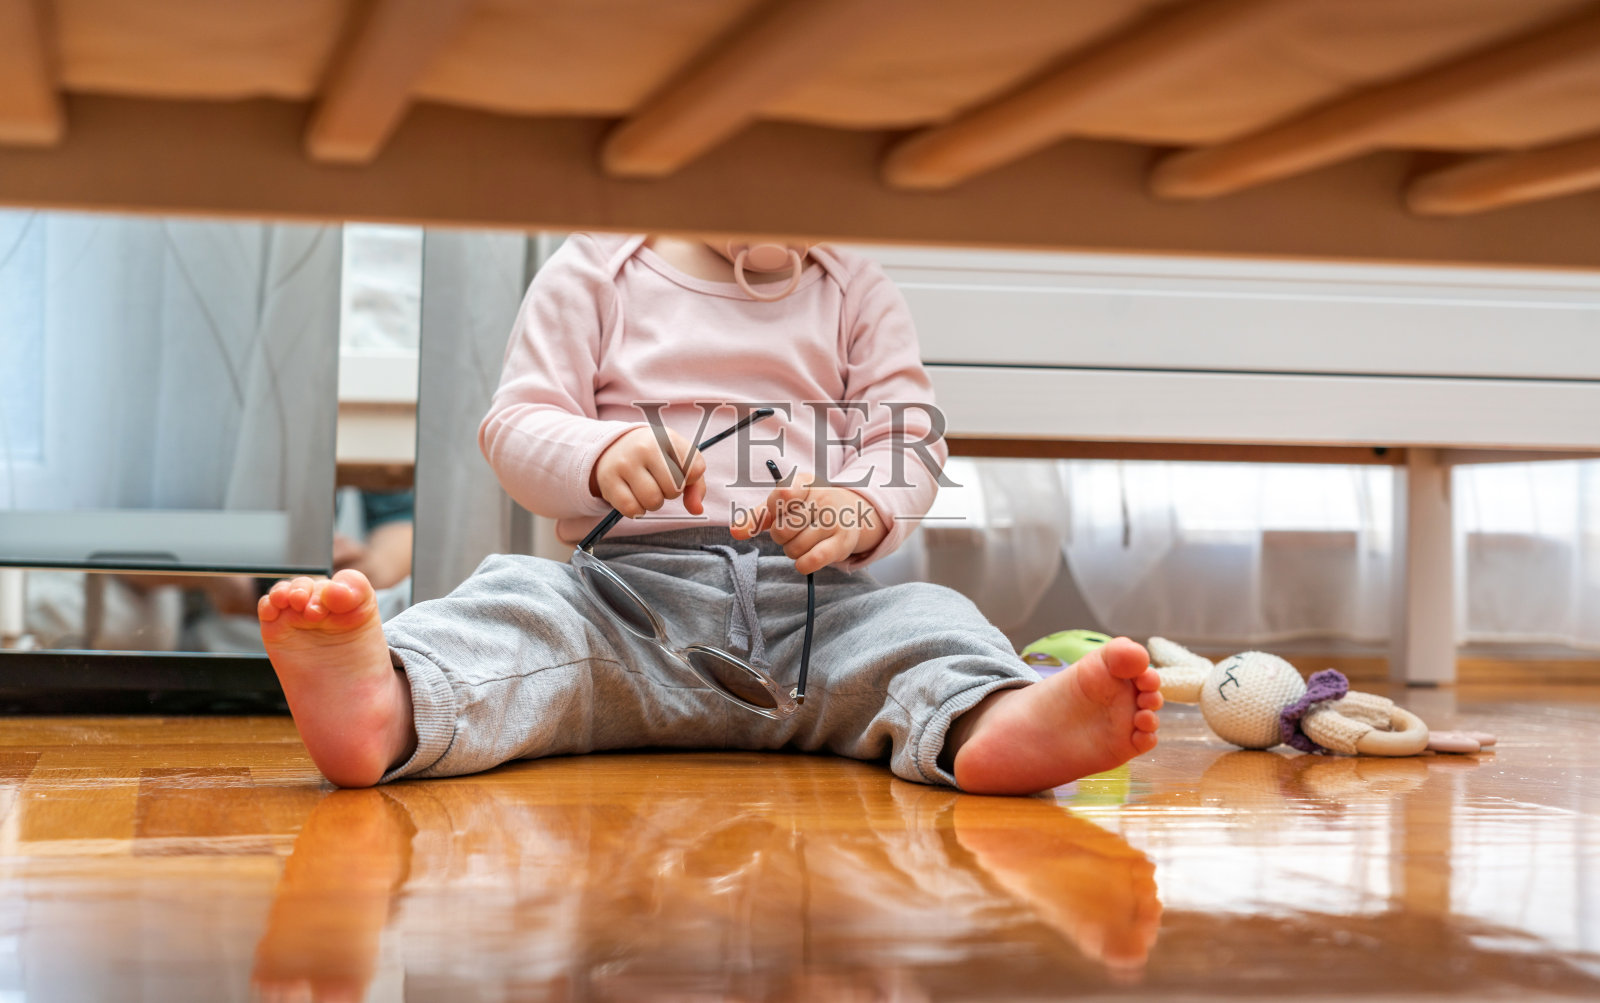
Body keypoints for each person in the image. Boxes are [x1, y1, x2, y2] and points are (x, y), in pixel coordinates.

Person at [256, 235, 1162, 791]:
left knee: (932, 620)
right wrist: (599, 454)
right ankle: (391, 704)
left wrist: (857, 502)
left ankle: (994, 721)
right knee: (509, 607)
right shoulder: (596, 267)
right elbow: (515, 424)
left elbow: (907, 436)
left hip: (818, 614)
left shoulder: (855, 285)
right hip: (618, 609)